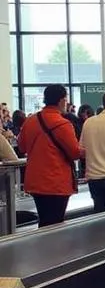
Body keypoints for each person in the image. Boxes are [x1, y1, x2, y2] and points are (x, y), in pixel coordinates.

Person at [17, 83, 81, 226]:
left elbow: (21, 146)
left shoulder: (30, 121)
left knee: (44, 221)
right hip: (56, 182)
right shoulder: (63, 124)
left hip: (35, 181)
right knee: (56, 224)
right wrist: (86, 150)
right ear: (61, 100)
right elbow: (75, 153)